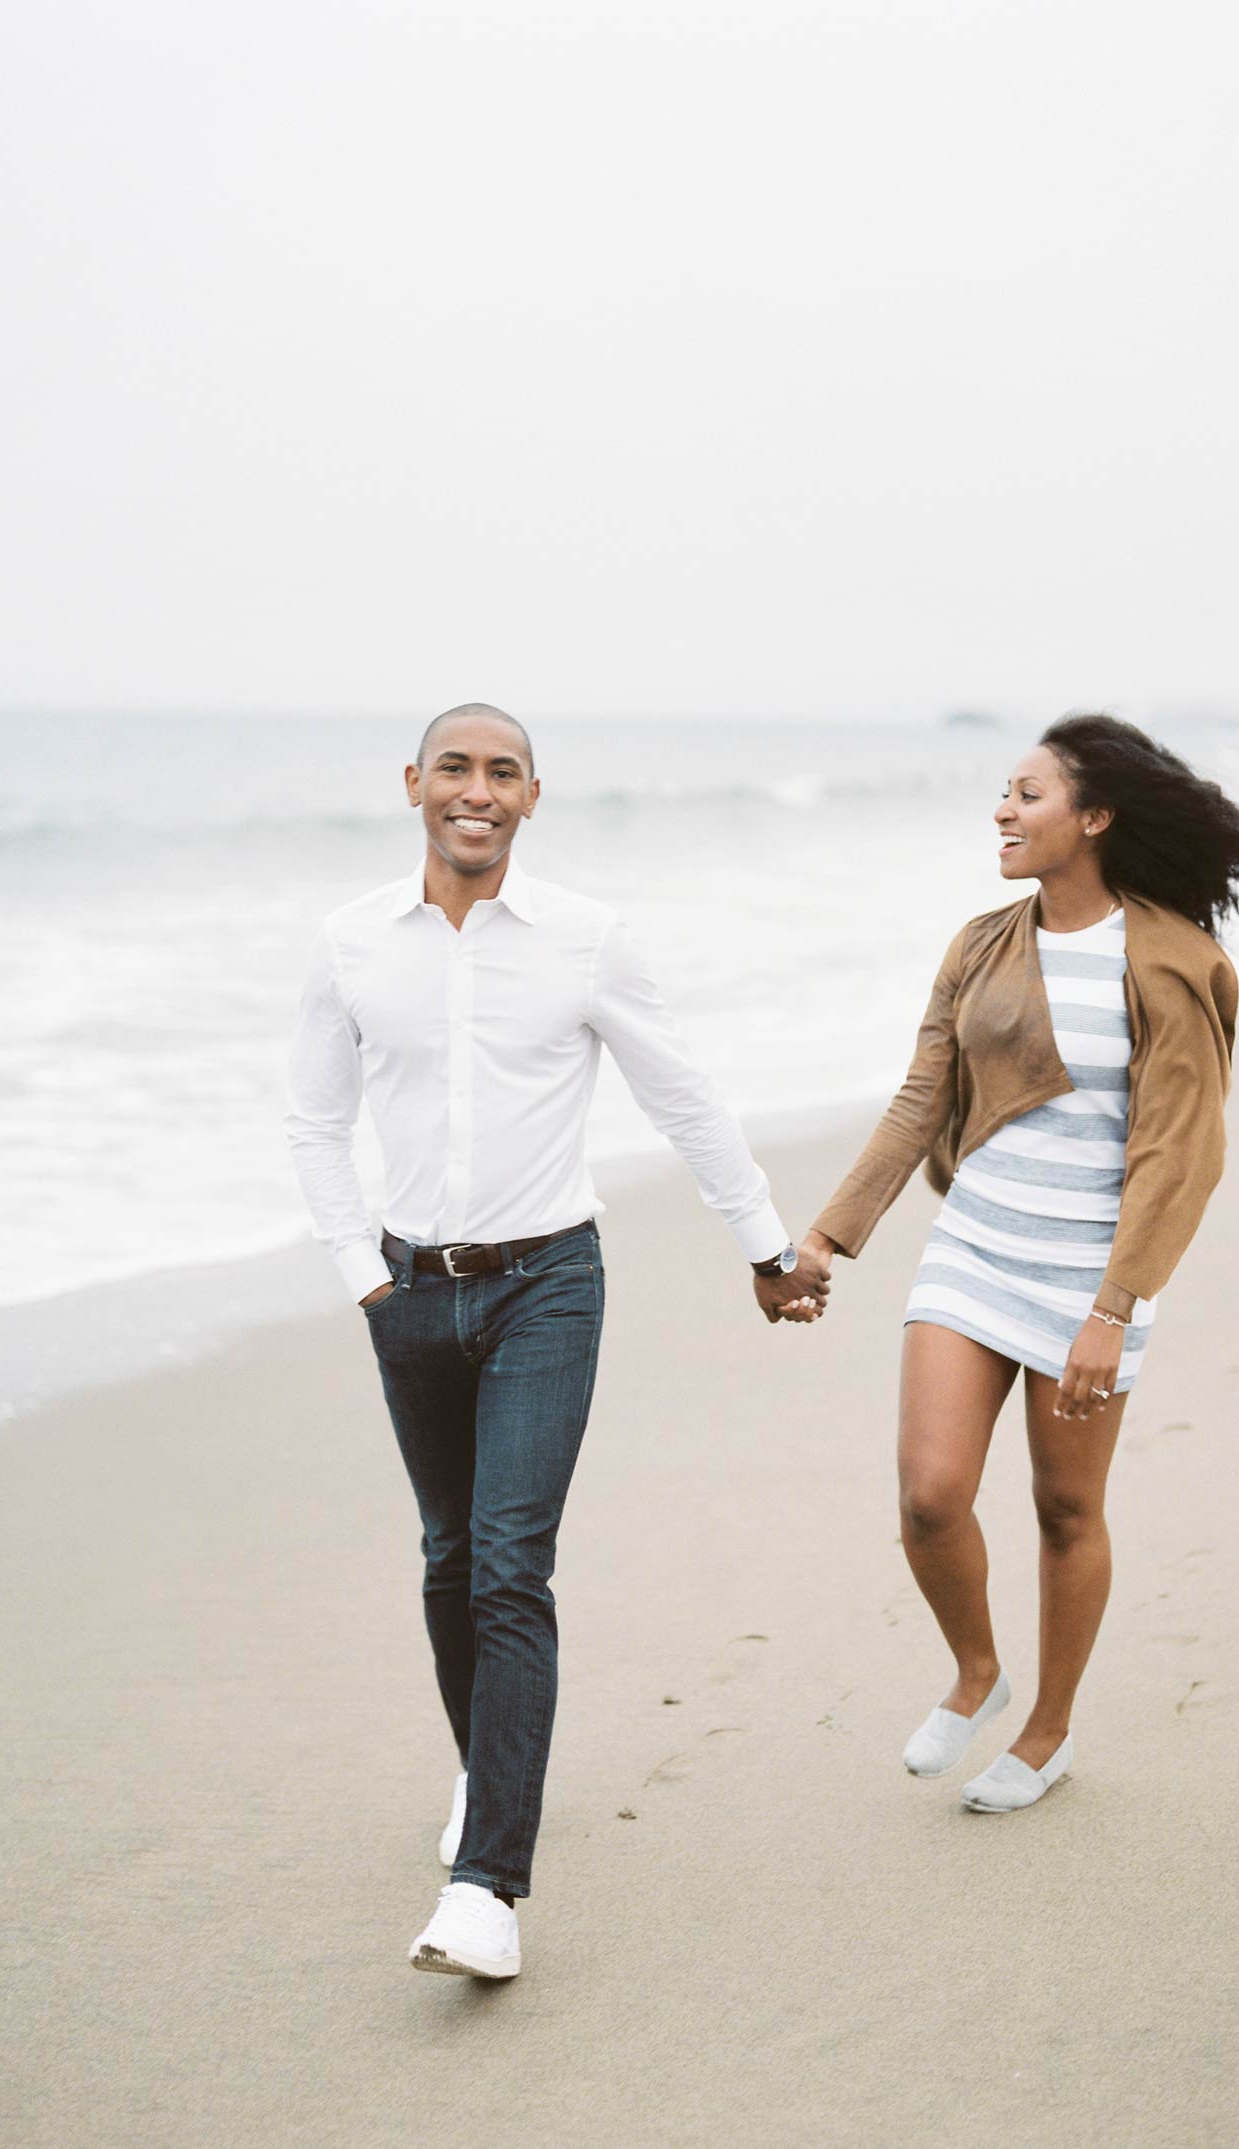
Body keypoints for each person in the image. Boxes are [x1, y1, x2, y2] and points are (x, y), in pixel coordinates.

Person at [285, 703, 827, 1979]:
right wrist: (361, 1275)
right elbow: (312, 1119)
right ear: (414, 782)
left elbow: (679, 1090)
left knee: (507, 1563)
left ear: (534, 797)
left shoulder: (586, 941)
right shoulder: (351, 941)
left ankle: (487, 1888)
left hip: (548, 1286)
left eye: (504, 773)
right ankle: (488, 1773)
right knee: (446, 1557)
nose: (478, 791)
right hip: (408, 1292)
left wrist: (764, 1245)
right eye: (456, 769)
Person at [797, 715, 1239, 1813]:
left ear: (1092, 816)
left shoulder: (1174, 960)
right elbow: (924, 1098)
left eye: (1027, 794)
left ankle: (1047, 1727)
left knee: (1064, 1508)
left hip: (1090, 1273)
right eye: (1002, 794)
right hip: (975, 1247)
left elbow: (1178, 1154)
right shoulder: (980, 942)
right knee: (930, 1495)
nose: (1002, 812)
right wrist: (827, 1233)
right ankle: (977, 1671)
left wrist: (1115, 1305)